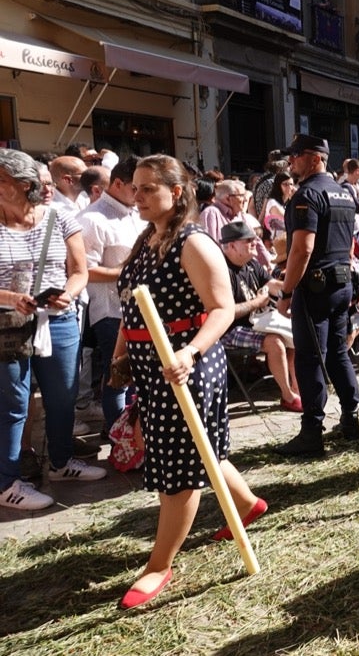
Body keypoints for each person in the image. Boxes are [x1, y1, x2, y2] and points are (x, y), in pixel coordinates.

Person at [114, 154, 264, 608]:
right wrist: (122, 354)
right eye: (134, 188)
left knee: (179, 469)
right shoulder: (148, 238)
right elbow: (131, 304)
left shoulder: (194, 243)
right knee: (202, 449)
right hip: (151, 365)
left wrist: (190, 351)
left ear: (175, 193)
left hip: (188, 365)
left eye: (145, 189)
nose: (135, 196)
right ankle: (246, 504)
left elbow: (221, 309)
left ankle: (160, 564)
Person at [0, 149, 99, 511]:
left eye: (2, 181)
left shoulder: (59, 219)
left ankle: (60, 462)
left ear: (24, 185)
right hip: (5, 323)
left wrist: (68, 295)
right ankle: (8, 482)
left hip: (56, 319)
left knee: (63, 396)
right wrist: (11, 297)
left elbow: (79, 270)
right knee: (12, 402)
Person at [274, 135, 359, 454]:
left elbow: (302, 249)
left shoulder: (308, 194)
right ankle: (351, 419)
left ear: (314, 158)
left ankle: (312, 431)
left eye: (295, 156)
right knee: (338, 352)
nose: (290, 162)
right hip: (341, 282)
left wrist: (285, 292)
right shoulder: (344, 193)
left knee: (311, 356)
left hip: (315, 286)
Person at [76, 156, 145, 434]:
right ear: (118, 183)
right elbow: (85, 270)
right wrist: (127, 272)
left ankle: (129, 433)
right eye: (137, 187)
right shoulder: (92, 219)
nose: (141, 195)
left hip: (140, 308)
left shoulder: (137, 213)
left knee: (137, 376)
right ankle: (120, 435)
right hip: (110, 311)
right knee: (118, 376)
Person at [219, 221, 301, 410]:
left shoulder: (251, 263)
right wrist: (256, 303)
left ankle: (298, 388)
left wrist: (295, 289)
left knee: (293, 333)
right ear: (232, 245)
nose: (255, 242)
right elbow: (227, 312)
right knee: (274, 342)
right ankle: (288, 397)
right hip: (230, 329)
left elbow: (272, 284)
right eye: (248, 240)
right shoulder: (222, 270)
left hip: (257, 322)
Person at [263, 172, 295, 241]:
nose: (289, 187)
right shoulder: (273, 203)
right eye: (285, 184)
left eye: (291, 184)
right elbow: (290, 220)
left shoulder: (289, 203)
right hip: (276, 243)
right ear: (278, 185)